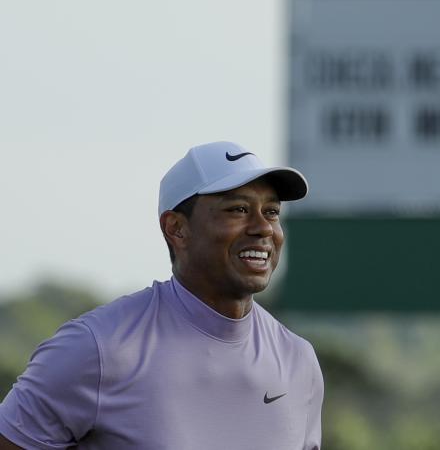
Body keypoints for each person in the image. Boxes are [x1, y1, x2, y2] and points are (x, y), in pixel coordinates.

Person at [0, 141, 324, 449]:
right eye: (238, 209)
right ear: (176, 229)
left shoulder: (299, 361)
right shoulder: (96, 349)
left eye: (271, 212)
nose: (264, 228)